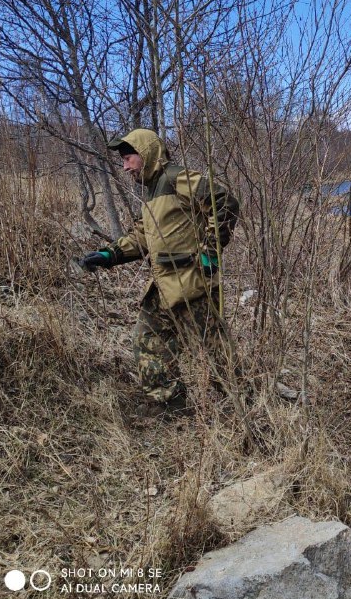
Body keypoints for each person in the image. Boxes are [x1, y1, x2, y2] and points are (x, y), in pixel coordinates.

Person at [81, 128, 240, 416]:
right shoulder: (153, 191)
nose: (125, 166)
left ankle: (245, 412)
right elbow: (143, 236)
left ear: (146, 154)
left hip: (192, 285)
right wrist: (109, 254)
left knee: (217, 353)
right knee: (147, 340)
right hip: (164, 286)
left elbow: (224, 202)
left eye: (128, 158)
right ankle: (171, 406)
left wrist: (211, 252)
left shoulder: (176, 178)